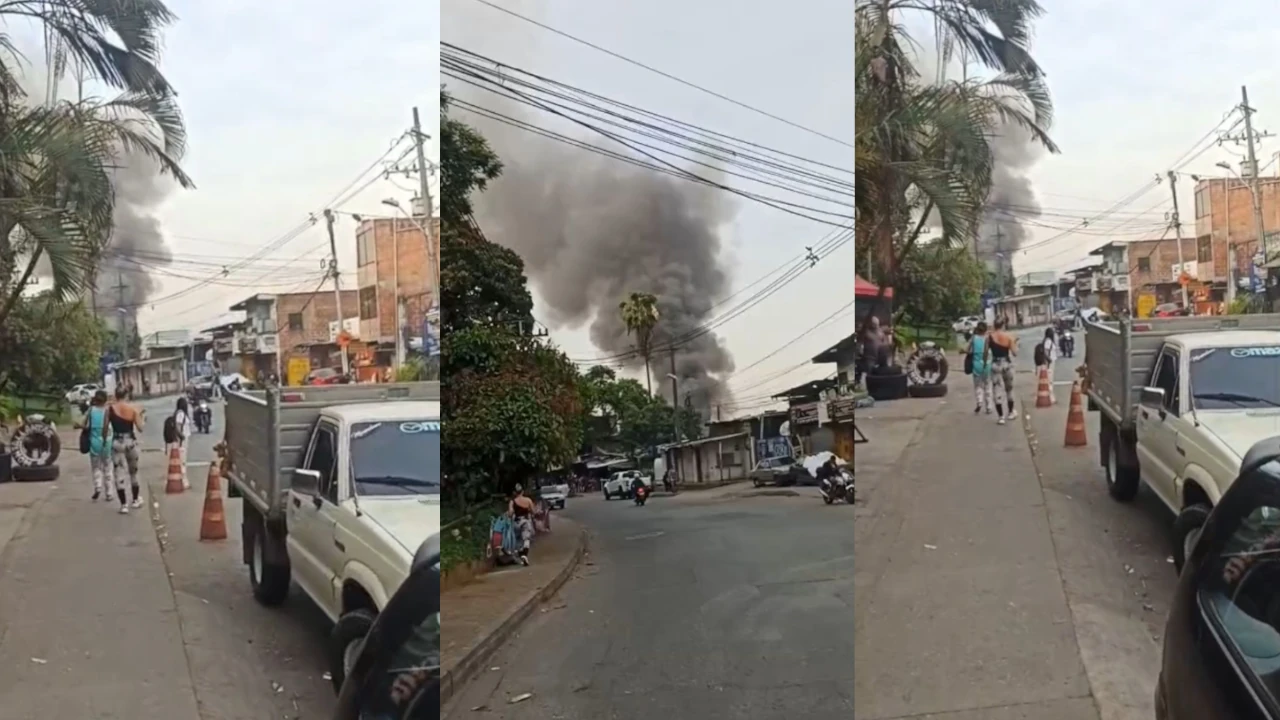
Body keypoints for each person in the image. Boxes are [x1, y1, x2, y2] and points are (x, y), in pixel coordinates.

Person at [107, 387, 146, 513]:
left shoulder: (111, 410)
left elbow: (104, 427)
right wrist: (141, 416)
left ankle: (123, 505)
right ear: (126, 395)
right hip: (130, 442)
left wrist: (104, 440)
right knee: (133, 472)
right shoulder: (132, 410)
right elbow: (140, 428)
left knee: (119, 472)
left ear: (115, 395)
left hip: (117, 442)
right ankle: (135, 500)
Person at [74, 390, 113, 500]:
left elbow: (85, 426)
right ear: (105, 400)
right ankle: (109, 493)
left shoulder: (91, 411)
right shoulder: (108, 411)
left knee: (96, 467)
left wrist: (79, 426)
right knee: (107, 467)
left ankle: (98, 487)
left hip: (94, 442)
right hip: (107, 442)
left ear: (95, 399)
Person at [988, 319, 1018, 425]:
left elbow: (985, 352)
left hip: (995, 364)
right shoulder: (1008, 337)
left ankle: (1001, 417)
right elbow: (1015, 353)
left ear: (994, 325)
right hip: (1006, 365)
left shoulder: (990, 337)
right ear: (1003, 325)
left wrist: (984, 364)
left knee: (997, 390)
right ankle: (1010, 413)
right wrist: (1014, 342)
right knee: (1009, 389)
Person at [966, 320, 993, 415]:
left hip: (976, 365)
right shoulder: (988, 338)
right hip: (987, 365)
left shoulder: (973, 338)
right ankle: (989, 406)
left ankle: (979, 402)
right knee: (987, 385)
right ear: (986, 330)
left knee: (978, 386)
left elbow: (968, 350)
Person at [508, 484, 536, 566]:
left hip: (516, 523)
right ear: (522, 492)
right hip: (525, 521)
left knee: (518, 540)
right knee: (526, 539)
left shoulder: (512, 501)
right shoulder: (528, 500)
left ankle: (519, 555)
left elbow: (510, 513)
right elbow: (533, 511)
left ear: (515, 493)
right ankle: (524, 554)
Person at [170, 396, 192, 490]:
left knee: (183, 460)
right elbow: (178, 427)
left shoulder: (182, 414)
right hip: (182, 440)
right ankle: (184, 482)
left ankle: (184, 480)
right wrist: (181, 436)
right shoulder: (180, 414)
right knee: (182, 461)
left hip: (184, 438)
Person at [1037, 327, 1059, 405]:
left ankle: (1051, 397)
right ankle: (1051, 398)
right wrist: (1049, 360)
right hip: (1049, 363)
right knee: (1049, 380)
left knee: (1050, 380)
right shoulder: (1048, 341)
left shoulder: (1049, 341)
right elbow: (1046, 352)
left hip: (1051, 362)